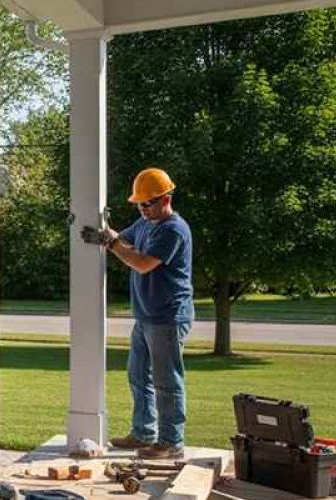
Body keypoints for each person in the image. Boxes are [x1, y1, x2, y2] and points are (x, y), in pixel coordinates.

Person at [98, 167, 195, 460]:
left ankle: (171, 442)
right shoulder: (144, 224)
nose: (142, 208)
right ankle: (143, 432)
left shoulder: (173, 229)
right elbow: (123, 240)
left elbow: (142, 263)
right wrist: (111, 237)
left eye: (147, 203)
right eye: (139, 204)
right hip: (146, 316)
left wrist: (112, 242)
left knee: (167, 381)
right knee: (138, 375)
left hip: (168, 317)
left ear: (166, 199)